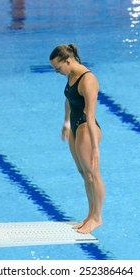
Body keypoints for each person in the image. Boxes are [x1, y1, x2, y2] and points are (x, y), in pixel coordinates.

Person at [49, 44, 105, 234]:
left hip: (86, 129)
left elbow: (90, 115)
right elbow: (69, 100)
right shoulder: (71, 74)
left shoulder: (88, 80)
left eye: (58, 68)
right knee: (84, 174)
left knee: (93, 174)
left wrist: (96, 147)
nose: (57, 72)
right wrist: (66, 123)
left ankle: (97, 218)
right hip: (74, 127)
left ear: (68, 61)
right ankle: (90, 215)